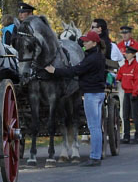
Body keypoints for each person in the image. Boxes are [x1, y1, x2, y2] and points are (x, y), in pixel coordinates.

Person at [44, 30, 107, 167]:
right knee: (96, 126)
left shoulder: (92, 59)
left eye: (86, 41)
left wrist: (54, 71)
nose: (84, 43)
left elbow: (74, 71)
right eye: (83, 41)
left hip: (92, 94)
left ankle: (95, 157)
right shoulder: (98, 56)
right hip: (98, 93)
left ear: (94, 43)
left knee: (94, 127)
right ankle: (96, 155)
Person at [117, 46, 138, 144]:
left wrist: (135, 92)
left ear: (133, 54)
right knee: (125, 115)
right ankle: (126, 135)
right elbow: (119, 76)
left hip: (133, 93)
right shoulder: (124, 67)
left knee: (136, 115)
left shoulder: (137, 66)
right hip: (126, 93)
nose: (126, 55)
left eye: (128, 54)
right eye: (126, 53)